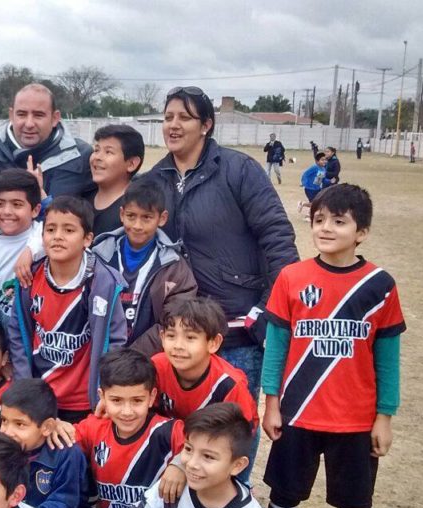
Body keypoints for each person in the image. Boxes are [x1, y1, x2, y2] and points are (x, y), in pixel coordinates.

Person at [136, 86, 298, 475]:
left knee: (230, 424)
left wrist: (268, 307)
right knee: (180, 419)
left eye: (184, 118)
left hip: (237, 326)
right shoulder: (156, 178)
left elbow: (277, 237)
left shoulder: (238, 170)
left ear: (206, 125)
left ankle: (234, 497)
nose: (173, 125)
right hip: (177, 329)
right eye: (168, 117)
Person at [260, 184, 405, 508]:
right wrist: (271, 402)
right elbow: (276, 347)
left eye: (339, 221)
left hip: (355, 418)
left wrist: (384, 416)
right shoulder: (291, 277)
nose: (326, 228)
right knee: (284, 492)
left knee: (356, 500)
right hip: (299, 412)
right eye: (319, 220)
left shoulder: (379, 285)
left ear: (362, 232)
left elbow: (388, 358)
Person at [106, 403, 272, 508]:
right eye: (188, 449)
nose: (192, 464)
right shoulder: (178, 484)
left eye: (208, 456)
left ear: (237, 465)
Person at [5, 196, 127, 421]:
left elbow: (115, 341)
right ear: (42, 236)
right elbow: (16, 335)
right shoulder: (29, 279)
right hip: (38, 399)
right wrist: (24, 387)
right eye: (51, 229)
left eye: (69, 230)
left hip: (85, 402)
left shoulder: (103, 283)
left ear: (87, 239)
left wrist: (106, 391)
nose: (58, 237)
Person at [74, 349, 185, 508]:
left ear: (152, 397)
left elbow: (204, 445)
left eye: (137, 400)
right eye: (116, 400)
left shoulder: (168, 431)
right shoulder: (93, 428)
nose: (127, 411)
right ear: (102, 397)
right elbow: (60, 442)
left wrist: (179, 463)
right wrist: (56, 426)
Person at [151, 296, 259, 486]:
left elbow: (239, 438)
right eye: (171, 335)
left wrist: (182, 465)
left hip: (218, 446)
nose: (178, 345)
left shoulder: (229, 384)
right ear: (161, 337)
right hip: (178, 442)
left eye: (190, 337)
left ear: (213, 343)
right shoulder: (157, 367)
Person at [0, 379, 100, 508]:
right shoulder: (0, 448)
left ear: (47, 427)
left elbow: (64, 503)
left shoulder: (67, 453)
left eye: (20, 424)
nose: (8, 431)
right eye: (4, 421)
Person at [90, 180, 197, 356]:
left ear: (162, 218)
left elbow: (172, 322)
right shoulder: (98, 256)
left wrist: (132, 358)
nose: (138, 226)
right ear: (122, 214)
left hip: (145, 361)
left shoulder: (174, 267)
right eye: (131, 216)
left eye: (147, 217)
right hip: (97, 356)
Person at [0, 83, 95, 199]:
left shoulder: (81, 156)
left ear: (55, 118)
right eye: (22, 114)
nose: (29, 124)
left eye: (38, 115)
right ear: (11, 115)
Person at [0, 168, 44, 297]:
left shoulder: (41, 236)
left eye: (17, 204)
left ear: (35, 210)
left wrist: (31, 250)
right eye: (0, 204)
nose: (7, 211)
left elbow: (51, 227)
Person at [84, 124, 145, 236]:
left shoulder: (137, 210)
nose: (97, 157)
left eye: (108, 152)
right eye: (96, 150)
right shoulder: (82, 200)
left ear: (131, 164)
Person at [299, 152, 328, 220]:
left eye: (325, 160)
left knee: (317, 202)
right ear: (317, 161)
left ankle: (303, 204)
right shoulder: (314, 167)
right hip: (310, 189)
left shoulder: (323, 169)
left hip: (317, 188)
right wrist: (304, 182)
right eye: (322, 160)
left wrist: (330, 181)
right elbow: (305, 174)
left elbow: (322, 179)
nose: (324, 161)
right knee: (314, 203)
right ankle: (308, 216)